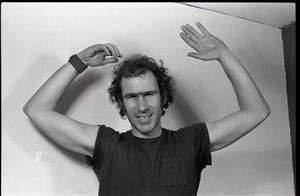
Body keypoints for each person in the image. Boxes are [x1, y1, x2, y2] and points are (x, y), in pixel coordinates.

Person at [23, 22, 270, 195]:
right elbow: (36, 109)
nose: (142, 106)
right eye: (131, 97)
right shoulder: (107, 144)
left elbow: (256, 111)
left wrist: (224, 54)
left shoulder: (189, 141)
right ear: (122, 103)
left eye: (149, 94)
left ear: (163, 97)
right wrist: (78, 62)